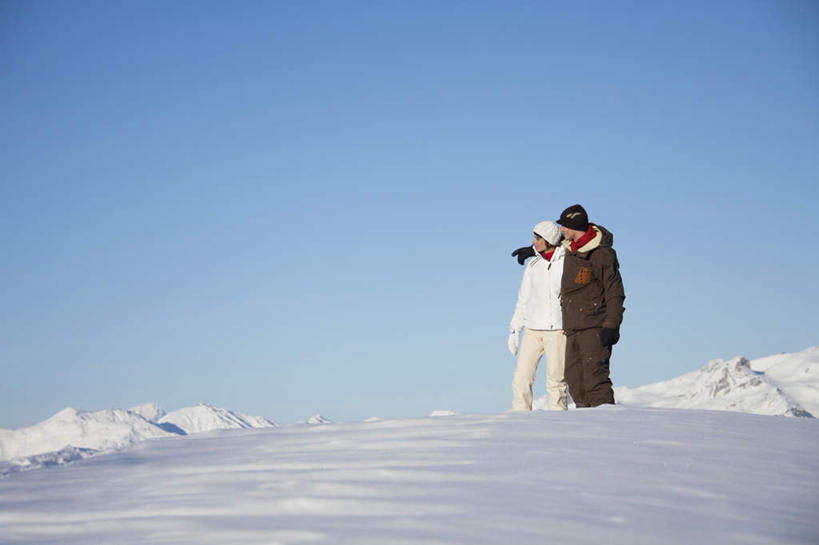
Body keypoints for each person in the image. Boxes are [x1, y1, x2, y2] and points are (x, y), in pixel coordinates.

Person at [555, 204, 625, 407]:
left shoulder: (601, 254)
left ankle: (605, 427)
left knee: (595, 380)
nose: (561, 230)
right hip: (573, 327)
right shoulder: (571, 249)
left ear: (574, 226)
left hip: (594, 327)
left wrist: (612, 323)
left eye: (564, 226)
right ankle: (587, 428)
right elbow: (549, 247)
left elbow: (615, 291)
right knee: (574, 380)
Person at [508, 221, 568, 411]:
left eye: (537, 238)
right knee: (521, 379)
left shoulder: (567, 262)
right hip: (533, 330)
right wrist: (515, 329)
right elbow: (523, 299)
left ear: (549, 240)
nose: (533, 242)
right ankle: (520, 421)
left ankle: (558, 423)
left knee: (556, 381)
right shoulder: (533, 265)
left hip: (557, 330)